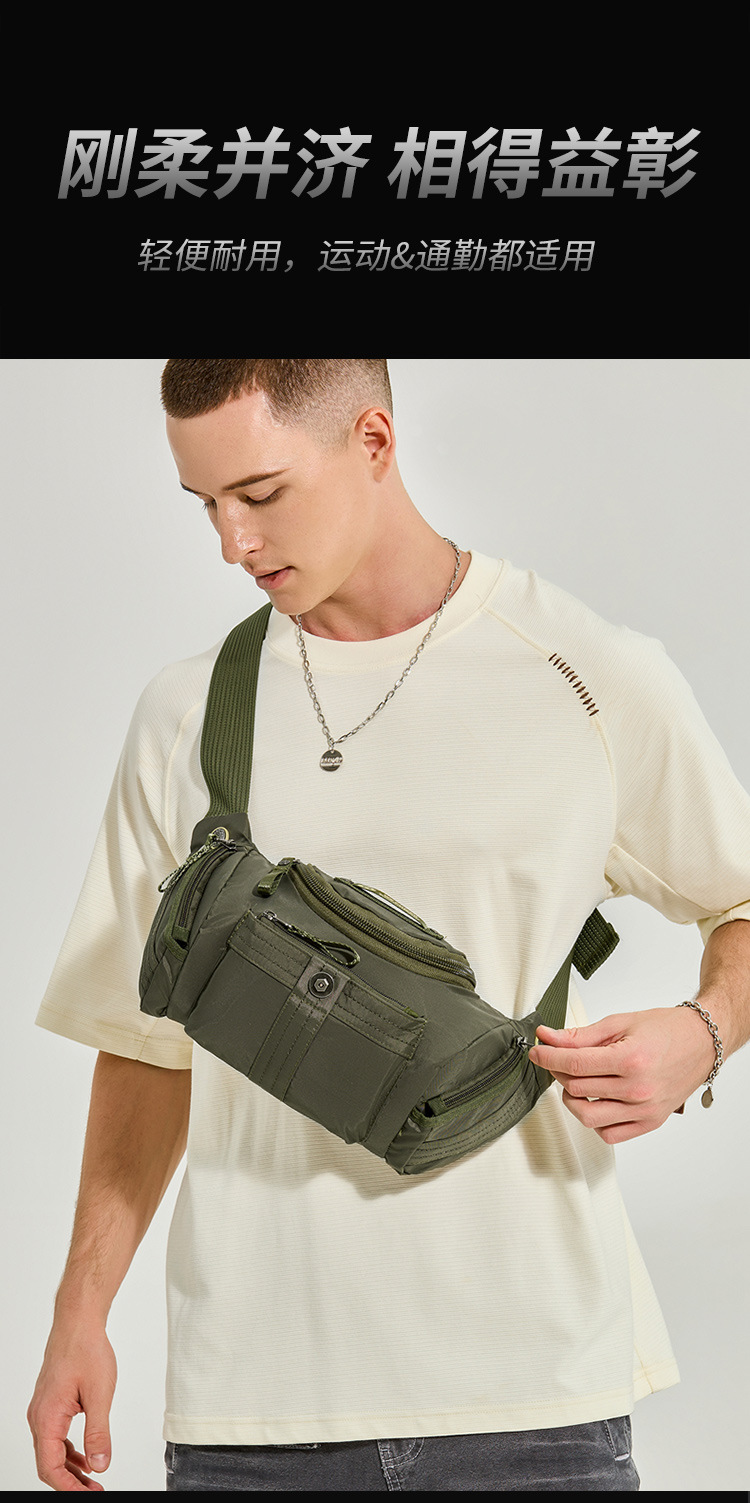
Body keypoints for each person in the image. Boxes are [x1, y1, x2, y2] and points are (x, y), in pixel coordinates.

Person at [27, 359, 750, 1493]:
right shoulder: (189, 714)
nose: (232, 542)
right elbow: (145, 1044)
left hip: (534, 1394)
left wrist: (703, 1033)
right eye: (205, 505)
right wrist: (80, 1310)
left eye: (261, 494)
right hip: (252, 1408)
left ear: (372, 440)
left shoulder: (585, 674)